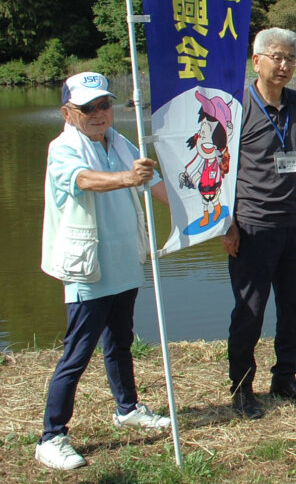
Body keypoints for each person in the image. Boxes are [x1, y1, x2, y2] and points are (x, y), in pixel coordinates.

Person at [36, 72, 171, 470]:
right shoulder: (62, 148)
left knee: (121, 340)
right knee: (77, 353)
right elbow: (85, 181)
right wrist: (129, 178)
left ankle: (126, 408)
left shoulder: (119, 141)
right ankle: (51, 436)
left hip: (124, 260)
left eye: (104, 105)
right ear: (68, 112)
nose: (98, 114)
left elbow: (155, 183)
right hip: (88, 268)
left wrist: (203, 219)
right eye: (87, 108)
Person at [222, 28, 296, 419]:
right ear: (257, 61)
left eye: (291, 59)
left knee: (295, 307)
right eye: (277, 57)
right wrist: (226, 225)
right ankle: (241, 388)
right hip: (251, 227)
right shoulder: (235, 108)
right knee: (249, 312)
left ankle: (285, 378)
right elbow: (216, 172)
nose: (284, 66)